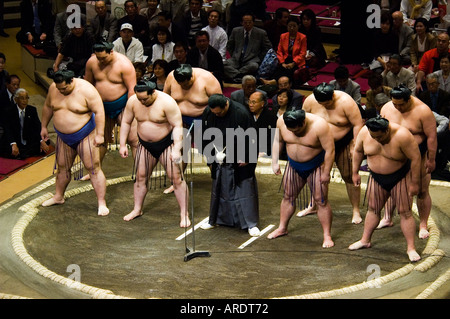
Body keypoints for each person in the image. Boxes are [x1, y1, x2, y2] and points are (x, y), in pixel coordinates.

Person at [349, 115, 421, 262]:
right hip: (376, 177)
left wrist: (414, 183)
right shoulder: (364, 132)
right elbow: (357, 151)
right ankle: (365, 240)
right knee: (373, 209)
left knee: (405, 212)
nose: (377, 139)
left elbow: (416, 158)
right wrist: (355, 172)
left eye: (380, 136)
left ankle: (411, 248)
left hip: (400, 176)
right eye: (373, 136)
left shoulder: (402, 135)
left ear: (387, 130)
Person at [119, 81, 190, 227]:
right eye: (140, 99)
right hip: (144, 145)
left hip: (166, 144)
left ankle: (184, 214)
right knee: (140, 177)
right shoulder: (133, 101)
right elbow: (126, 122)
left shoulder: (167, 103)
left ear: (153, 93)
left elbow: (177, 125)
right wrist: (122, 144)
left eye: (145, 99)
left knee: (176, 178)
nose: (142, 102)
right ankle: (137, 209)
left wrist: (177, 149)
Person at [40, 70, 109, 217]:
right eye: (59, 89)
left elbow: (100, 111)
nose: (61, 91)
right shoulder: (54, 88)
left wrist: (100, 134)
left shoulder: (87, 90)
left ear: (71, 81)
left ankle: (101, 203)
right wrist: (44, 126)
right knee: (62, 167)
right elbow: (47, 106)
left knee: (93, 168)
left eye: (64, 88)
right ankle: (58, 196)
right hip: (63, 137)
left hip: (85, 134)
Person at [267, 109, 335, 248]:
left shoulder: (319, 126)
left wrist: (326, 172)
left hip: (316, 165)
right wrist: (274, 162)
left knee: (320, 200)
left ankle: (327, 235)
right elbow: (277, 140)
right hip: (293, 165)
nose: (295, 133)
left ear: (303, 122)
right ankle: (282, 227)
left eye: (297, 130)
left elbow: (330, 150)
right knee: (288, 196)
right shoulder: (281, 121)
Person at [378, 85, 437, 238]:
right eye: (395, 104)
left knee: (422, 190)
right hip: (394, 155)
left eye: (401, 104)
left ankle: (423, 224)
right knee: (390, 188)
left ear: (409, 99)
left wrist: (431, 159)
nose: (397, 107)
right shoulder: (386, 108)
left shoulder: (423, 111)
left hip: (418, 155)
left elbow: (431, 137)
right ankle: (387, 217)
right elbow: (381, 132)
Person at [301, 83, 364, 224]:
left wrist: (355, 145)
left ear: (333, 96)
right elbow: (304, 120)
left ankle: (356, 210)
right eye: (322, 103)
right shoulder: (310, 101)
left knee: (349, 175)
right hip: (320, 143)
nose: (326, 106)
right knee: (318, 176)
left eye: (328, 103)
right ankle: (314, 205)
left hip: (343, 142)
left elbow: (357, 124)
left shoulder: (346, 102)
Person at [200, 94, 261, 236]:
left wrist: (248, 157)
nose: (217, 115)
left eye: (219, 112)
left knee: (244, 187)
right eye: (215, 113)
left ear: (226, 104)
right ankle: (215, 219)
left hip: (240, 155)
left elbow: (253, 136)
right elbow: (204, 134)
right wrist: (209, 157)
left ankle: (251, 224)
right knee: (219, 187)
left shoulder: (241, 113)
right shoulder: (209, 112)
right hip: (218, 154)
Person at [163, 64, 222, 193]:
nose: (184, 87)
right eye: (181, 84)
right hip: (180, 119)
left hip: (204, 119)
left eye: (186, 84)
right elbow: (164, 99)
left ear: (191, 77)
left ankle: (219, 183)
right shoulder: (171, 78)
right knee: (180, 150)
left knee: (209, 151)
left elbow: (220, 103)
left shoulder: (207, 79)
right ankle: (177, 182)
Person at [84, 42, 138, 171]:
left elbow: (132, 90)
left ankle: (140, 171)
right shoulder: (92, 62)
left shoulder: (124, 64)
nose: (101, 61)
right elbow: (87, 85)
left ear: (111, 52)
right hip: (101, 107)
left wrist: (130, 112)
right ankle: (95, 171)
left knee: (133, 139)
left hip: (123, 106)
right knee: (100, 140)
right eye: (99, 58)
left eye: (104, 57)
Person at [1, 88, 49, 159]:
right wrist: (13, 143)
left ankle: (23, 153)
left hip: (28, 140)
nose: (25, 101)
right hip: (15, 139)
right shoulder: (9, 111)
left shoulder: (32, 110)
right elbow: (8, 130)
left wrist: (41, 141)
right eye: (22, 98)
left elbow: (37, 126)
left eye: (26, 98)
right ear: (16, 99)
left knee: (45, 142)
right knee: (6, 148)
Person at [224, 13, 272, 82]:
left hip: (251, 60)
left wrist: (259, 58)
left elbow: (268, 48)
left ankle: (235, 75)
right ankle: (239, 76)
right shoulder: (236, 31)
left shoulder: (261, 33)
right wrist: (235, 55)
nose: (248, 24)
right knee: (223, 64)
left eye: (250, 22)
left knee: (254, 66)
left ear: (253, 22)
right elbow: (229, 45)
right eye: (245, 22)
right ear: (242, 23)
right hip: (236, 59)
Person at [248, 91, 277, 156]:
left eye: (253, 102)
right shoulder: (246, 114)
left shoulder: (271, 117)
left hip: (264, 151)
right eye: (249, 102)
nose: (250, 105)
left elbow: (273, 138)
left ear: (262, 103)